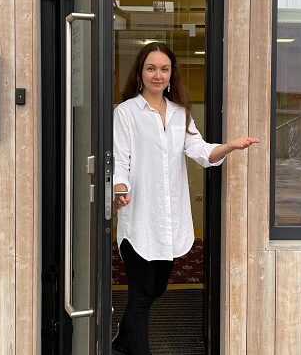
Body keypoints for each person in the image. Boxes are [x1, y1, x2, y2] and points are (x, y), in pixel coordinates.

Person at [111, 42, 259, 355]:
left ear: (171, 74)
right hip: (140, 217)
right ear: (140, 72)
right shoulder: (125, 113)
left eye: (164, 69)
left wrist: (229, 146)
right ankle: (135, 349)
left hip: (170, 219)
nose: (158, 74)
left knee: (157, 288)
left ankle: (122, 341)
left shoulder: (180, 114)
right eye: (151, 68)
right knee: (141, 295)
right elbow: (120, 160)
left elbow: (200, 151)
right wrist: (120, 189)